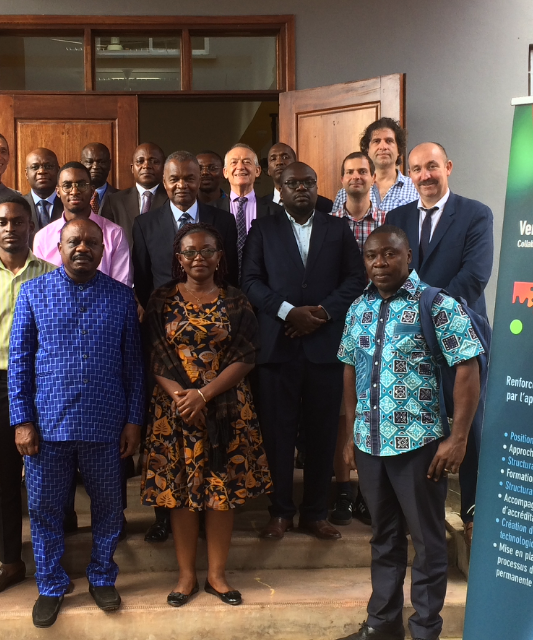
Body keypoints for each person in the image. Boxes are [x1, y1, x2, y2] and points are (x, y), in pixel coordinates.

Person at [335, 225, 482, 640]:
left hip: (419, 445)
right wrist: (350, 435)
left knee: (428, 542)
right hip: (369, 442)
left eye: (388, 255)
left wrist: (458, 438)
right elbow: (350, 370)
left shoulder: (436, 305)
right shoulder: (357, 308)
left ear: (409, 256)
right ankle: (382, 625)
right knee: (383, 538)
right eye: (371, 256)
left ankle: (424, 630)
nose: (379, 263)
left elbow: (468, 369)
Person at [9, 217, 145, 628]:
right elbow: (18, 363)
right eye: (74, 241)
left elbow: (135, 367)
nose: (82, 248)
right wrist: (22, 420)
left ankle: (102, 575)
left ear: (103, 249)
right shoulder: (32, 292)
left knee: (109, 506)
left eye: (90, 242)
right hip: (47, 427)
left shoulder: (121, 298)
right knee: (46, 508)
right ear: (59, 246)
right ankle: (51, 583)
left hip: (106, 425)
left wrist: (134, 420)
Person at [141, 222, 271, 608]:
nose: (199, 258)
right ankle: (185, 577)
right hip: (175, 409)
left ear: (220, 257)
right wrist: (184, 398)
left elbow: (246, 355)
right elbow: (154, 354)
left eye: (207, 250)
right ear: (178, 259)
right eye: (190, 252)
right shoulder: (161, 300)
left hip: (227, 409)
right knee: (180, 493)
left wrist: (204, 394)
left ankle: (216, 575)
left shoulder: (236, 300)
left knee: (221, 494)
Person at [240, 162, 366, 542]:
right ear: (279, 187)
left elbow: (355, 279)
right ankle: (280, 512)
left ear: (316, 187)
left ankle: (315, 513)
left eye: (308, 183)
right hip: (278, 348)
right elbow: (249, 281)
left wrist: (323, 313)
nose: (301, 189)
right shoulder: (262, 229)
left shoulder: (337, 227)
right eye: (292, 183)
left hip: (324, 347)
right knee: (277, 434)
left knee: (322, 432)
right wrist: (288, 311)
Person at [385, 142, 494, 543]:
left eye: (432, 167)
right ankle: (418, 509)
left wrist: (429, 312)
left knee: (470, 423)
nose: (425, 176)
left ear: (447, 166)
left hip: (461, 332)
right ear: (408, 174)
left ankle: (472, 512)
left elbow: (475, 275)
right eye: (416, 169)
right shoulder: (396, 216)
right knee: (418, 418)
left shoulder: (475, 213)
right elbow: (391, 270)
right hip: (410, 339)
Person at [0, 200, 56, 597]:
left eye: (19, 221)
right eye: (2, 222)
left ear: (31, 227)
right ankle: (10, 562)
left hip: (46, 386)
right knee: (3, 482)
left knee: (49, 477)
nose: (11, 228)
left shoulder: (54, 276)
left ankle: (53, 558)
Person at [327, 151, 386, 526]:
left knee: (371, 405)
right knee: (342, 412)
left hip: (382, 321)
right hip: (340, 323)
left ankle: (370, 492)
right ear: (342, 179)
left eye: (362, 171)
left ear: (372, 177)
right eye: (349, 172)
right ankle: (343, 491)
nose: (356, 177)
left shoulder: (387, 223)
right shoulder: (329, 224)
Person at [132, 150, 240, 316]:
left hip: (214, 317)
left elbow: (229, 273)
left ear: (198, 180)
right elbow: (142, 280)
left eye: (189, 178)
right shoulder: (144, 224)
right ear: (164, 182)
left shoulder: (224, 221)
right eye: (174, 179)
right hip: (163, 318)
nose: (181, 185)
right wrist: (159, 311)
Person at [33, 162, 131, 285]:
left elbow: (121, 288)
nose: (74, 191)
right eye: (67, 185)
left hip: (104, 303)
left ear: (91, 190)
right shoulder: (43, 238)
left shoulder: (114, 234)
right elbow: (40, 288)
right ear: (58, 192)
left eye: (81, 185)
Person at [330, 118, 420, 214]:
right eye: (376, 141)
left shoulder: (416, 189)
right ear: (367, 150)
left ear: (399, 149)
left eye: (389, 141)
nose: (383, 147)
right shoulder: (344, 194)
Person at [217, 143, 282, 265]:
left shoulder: (275, 211)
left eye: (247, 162)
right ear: (225, 172)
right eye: (234, 162)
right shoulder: (212, 210)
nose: (240, 167)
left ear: (257, 171)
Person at [100, 142, 168, 246]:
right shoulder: (114, 202)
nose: (146, 166)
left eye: (154, 161)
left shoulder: (173, 200)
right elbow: (106, 242)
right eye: (140, 161)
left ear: (164, 168)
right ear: (132, 168)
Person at [266, 142, 333, 213]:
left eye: (285, 157)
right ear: (268, 170)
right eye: (273, 159)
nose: (279, 162)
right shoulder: (259, 206)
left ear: (296, 164)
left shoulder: (324, 205)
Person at [24, 148, 61, 231]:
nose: (42, 171)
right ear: (26, 174)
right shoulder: (18, 206)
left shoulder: (68, 204)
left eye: (48, 166)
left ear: (58, 171)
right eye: (35, 167)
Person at [81, 142, 117, 215]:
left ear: (109, 164)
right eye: (89, 162)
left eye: (101, 162)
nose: (95, 167)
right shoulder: (72, 197)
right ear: (81, 164)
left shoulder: (121, 198)